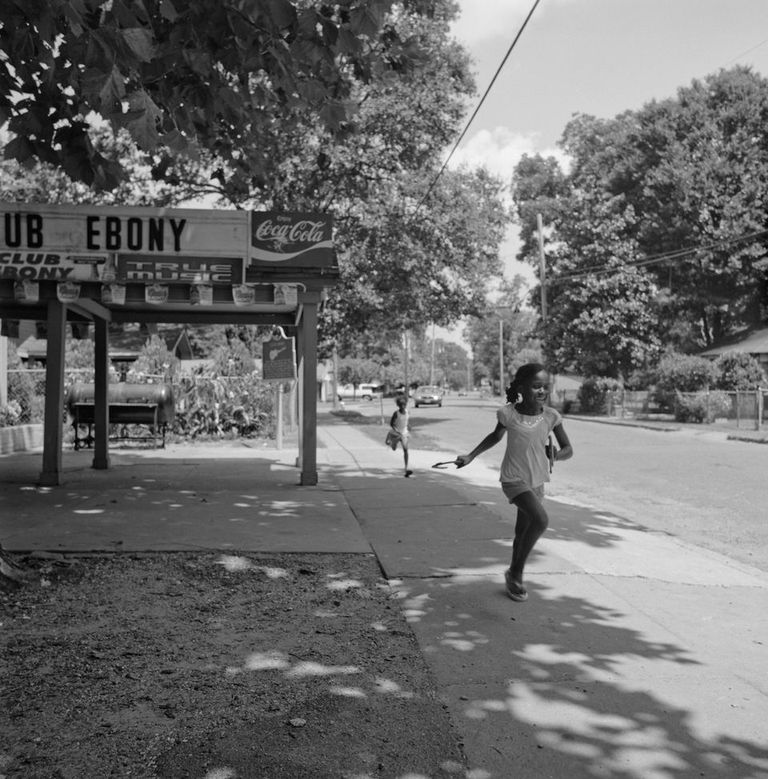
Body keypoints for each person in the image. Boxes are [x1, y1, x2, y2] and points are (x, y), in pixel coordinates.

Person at [456, 363, 573, 602]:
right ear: (521, 387)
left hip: (537, 480)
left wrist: (556, 456)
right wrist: (470, 455)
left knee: (522, 532)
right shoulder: (509, 414)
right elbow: (495, 437)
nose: (541, 391)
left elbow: (568, 449)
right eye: (535, 386)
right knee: (541, 520)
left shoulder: (551, 416)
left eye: (545, 387)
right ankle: (516, 573)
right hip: (513, 478)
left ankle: (512, 576)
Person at [388, 395, 413, 477]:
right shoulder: (396, 413)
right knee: (394, 448)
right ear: (398, 405)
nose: (402, 406)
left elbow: (406, 421)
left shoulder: (407, 412)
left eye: (404, 404)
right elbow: (392, 424)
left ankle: (406, 468)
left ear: (406, 404)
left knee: (405, 449)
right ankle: (393, 444)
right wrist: (396, 431)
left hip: (404, 433)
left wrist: (409, 426)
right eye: (401, 405)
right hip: (396, 433)